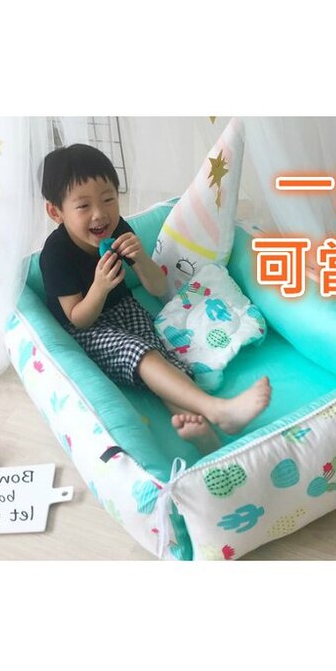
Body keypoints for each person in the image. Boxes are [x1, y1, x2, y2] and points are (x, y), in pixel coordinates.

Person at [39, 143, 270, 453]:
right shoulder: (55, 254)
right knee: (140, 353)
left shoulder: (118, 230)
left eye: (108, 199)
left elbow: (157, 287)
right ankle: (218, 410)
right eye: (83, 206)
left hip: (125, 308)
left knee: (164, 361)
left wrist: (142, 260)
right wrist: (100, 287)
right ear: (56, 212)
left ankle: (203, 436)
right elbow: (78, 318)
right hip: (87, 327)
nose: (100, 214)